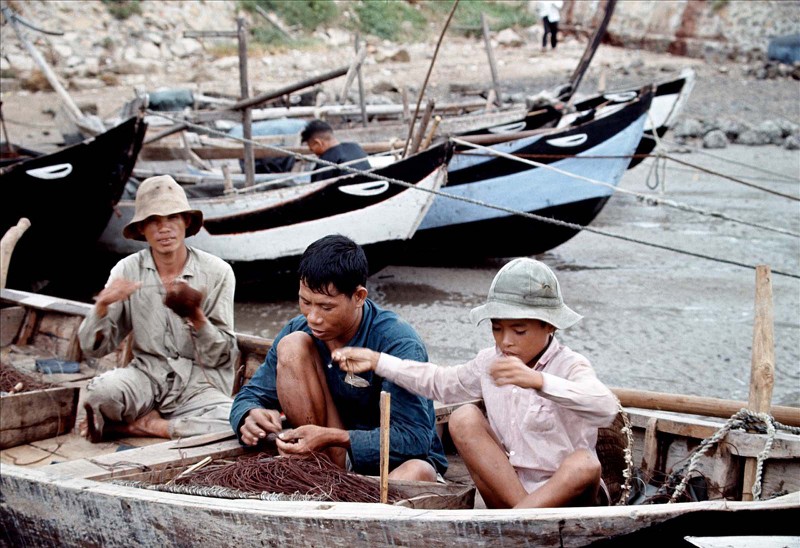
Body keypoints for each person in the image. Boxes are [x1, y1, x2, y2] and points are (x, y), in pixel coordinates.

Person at [333, 258, 618, 508]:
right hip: (512, 495)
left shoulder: (570, 365)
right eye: (497, 329)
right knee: (463, 417)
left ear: (550, 326)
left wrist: (538, 381)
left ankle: (516, 525)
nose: (505, 341)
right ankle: (520, 523)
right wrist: (377, 360)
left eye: (519, 331)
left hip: (568, 500)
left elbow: (605, 408)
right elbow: (438, 382)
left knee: (585, 464)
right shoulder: (490, 361)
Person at [230, 234, 447, 481]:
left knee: (417, 472)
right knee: (292, 345)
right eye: (305, 302)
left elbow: (414, 439)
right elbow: (250, 395)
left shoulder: (397, 342)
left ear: (359, 297)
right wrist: (249, 414)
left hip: (391, 468)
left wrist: (333, 437)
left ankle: (333, 486)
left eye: (326, 307)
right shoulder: (299, 329)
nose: (313, 317)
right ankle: (320, 476)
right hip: (331, 459)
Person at [78, 175, 238, 442]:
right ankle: (164, 423)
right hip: (146, 377)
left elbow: (222, 357)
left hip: (200, 386)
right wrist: (102, 305)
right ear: (141, 228)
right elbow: (95, 349)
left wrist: (196, 316)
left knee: (235, 421)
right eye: (154, 220)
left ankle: (149, 427)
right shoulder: (127, 269)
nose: (164, 229)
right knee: (98, 394)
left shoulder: (218, 272)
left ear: (186, 222)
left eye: (173, 217)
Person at [300, 119, 370, 182]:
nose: (312, 151)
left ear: (318, 143)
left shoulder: (326, 161)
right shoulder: (354, 147)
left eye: (312, 149)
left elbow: (317, 189)